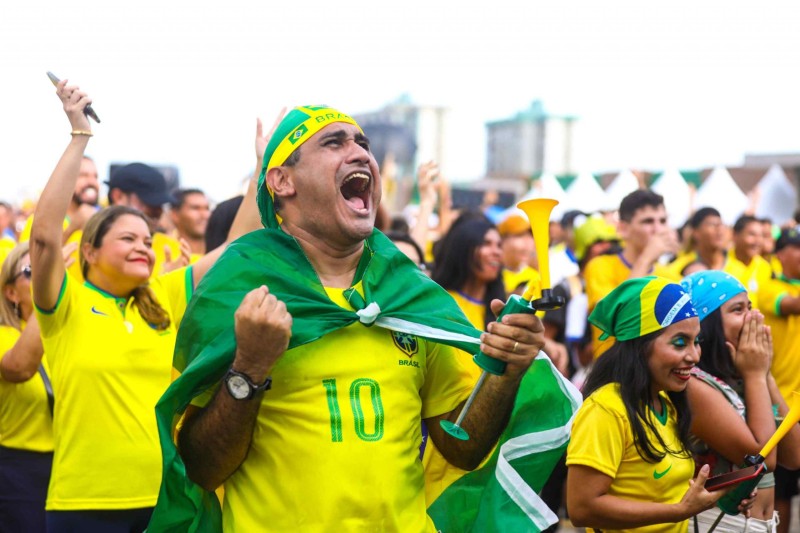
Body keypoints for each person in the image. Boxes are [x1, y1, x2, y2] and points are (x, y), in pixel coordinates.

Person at [152, 105, 546, 532]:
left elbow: (462, 447)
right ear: (282, 180)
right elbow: (201, 469)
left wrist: (506, 369)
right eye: (334, 142)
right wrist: (249, 367)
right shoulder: (238, 289)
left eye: (363, 143)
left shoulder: (411, 294)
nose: (360, 153)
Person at [28, 79, 259, 532]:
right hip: (85, 505)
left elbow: (237, 248)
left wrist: (260, 168)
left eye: (149, 241)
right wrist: (79, 136)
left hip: (164, 499)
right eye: (128, 239)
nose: (144, 248)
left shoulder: (165, 296)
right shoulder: (65, 304)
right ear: (90, 251)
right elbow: (43, 236)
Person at [566, 276, 731, 532]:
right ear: (639, 346)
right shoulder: (606, 409)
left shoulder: (665, 401)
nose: (694, 356)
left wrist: (719, 492)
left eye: (696, 341)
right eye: (680, 343)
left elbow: (659, 490)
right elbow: (582, 508)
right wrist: (679, 511)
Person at [682, 270, 800, 532]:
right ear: (707, 324)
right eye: (738, 310)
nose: (753, 318)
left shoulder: (743, 377)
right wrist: (757, 374)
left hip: (758, 524)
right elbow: (761, 460)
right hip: (718, 523)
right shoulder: (694, 385)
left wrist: (765, 375)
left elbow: (794, 455)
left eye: (751, 307)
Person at [583, 189, 678, 357]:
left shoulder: (672, 277)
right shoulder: (599, 266)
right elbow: (613, 318)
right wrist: (646, 258)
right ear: (623, 228)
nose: (658, 230)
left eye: (663, 221)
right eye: (648, 221)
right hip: (611, 374)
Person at [0, 243, 51, 533]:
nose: (46, 276)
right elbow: (18, 367)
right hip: (20, 472)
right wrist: (48, 298)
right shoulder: (4, 336)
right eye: (33, 272)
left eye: (50, 269)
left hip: (74, 468)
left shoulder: (70, 335)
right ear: (10, 293)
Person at [758, 226, 800, 533]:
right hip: (783, 404)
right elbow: (790, 305)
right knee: (782, 490)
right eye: (797, 247)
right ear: (780, 254)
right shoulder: (770, 287)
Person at [726, 215, 772, 310]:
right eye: (752, 234)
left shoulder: (764, 267)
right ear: (735, 235)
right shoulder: (723, 264)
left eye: (761, 236)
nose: (758, 241)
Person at [169, 188, 210, 259]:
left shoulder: (222, 250)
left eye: (207, 208)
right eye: (195, 208)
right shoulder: (162, 249)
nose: (205, 215)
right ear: (175, 215)